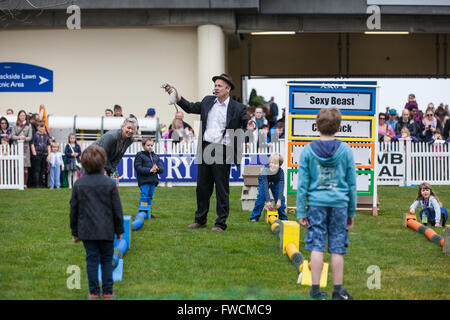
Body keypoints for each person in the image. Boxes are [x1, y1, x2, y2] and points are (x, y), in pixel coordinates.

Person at [163, 73, 255, 232]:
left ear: (228, 89)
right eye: (215, 85)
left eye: (219, 86)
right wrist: (175, 94)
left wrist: (249, 123)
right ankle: (200, 219)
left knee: (221, 188)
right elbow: (191, 107)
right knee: (202, 187)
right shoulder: (207, 101)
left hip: (223, 149)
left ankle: (220, 223)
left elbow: (245, 118)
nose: (216, 88)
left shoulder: (237, 107)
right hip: (206, 147)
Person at [296, 108, 356, 300]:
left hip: (315, 204)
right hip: (340, 204)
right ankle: (338, 291)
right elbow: (352, 183)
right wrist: (351, 211)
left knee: (317, 245)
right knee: (337, 247)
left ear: (316, 126)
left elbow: (302, 184)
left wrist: (300, 211)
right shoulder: (346, 150)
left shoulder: (307, 151)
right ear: (339, 127)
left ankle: (315, 290)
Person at [70, 144, 124, 300]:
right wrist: (119, 230)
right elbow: (117, 209)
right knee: (107, 260)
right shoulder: (109, 183)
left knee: (92, 260)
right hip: (107, 230)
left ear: (84, 163)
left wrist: (75, 233)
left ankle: (93, 292)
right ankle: (108, 292)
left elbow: (74, 210)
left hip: (87, 231)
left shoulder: (79, 184)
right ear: (103, 163)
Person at [93, 117, 137, 187]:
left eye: (133, 129)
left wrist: (112, 169)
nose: (130, 131)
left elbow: (119, 156)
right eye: (128, 128)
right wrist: (109, 170)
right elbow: (103, 154)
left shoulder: (130, 140)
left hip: (108, 161)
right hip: (95, 159)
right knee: (101, 187)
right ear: (122, 127)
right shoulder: (112, 136)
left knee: (115, 184)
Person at [249, 153, 287, 222]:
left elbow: (281, 186)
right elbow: (265, 186)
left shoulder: (281, 172)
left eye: (276, 164)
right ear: (269, 163)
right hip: (264, 181)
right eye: (272, 163)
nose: (273, 165)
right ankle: (254, 217)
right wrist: (268, 201)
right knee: (261, 196)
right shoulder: (265, 171)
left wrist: (279, 200)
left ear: (280, 165)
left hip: (275, 182)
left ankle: (283, 218)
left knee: (281, 198)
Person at [134, 138, 164, 219]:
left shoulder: (155, 156)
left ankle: (149, 213)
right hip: (144, 181)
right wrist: (149, 170)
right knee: (144, 196)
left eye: (151, 145)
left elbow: (161, 168)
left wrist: (157, 168)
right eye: (148, 145)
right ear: (143, 146)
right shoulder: (140, 156)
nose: (150, 147)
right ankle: (142, 212)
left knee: (150, 197)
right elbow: (138, 168)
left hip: (153, 181)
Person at [11, 110, 33, 187]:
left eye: (24, 115)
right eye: (21, 115)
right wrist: (19, 137)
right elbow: (13, 136)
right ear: (18, 116)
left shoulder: (28, 125)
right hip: (16, 147)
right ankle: (17, 183)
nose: (22, 117)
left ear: (25, 117)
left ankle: (24, 184)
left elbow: (30, 137)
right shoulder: (15, 125)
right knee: (16, 166)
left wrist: (24, 138)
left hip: (25, 148)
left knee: (25, 167)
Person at [30, 121, 51, 188]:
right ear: (37, 127)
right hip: (37, 155)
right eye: (40, 127)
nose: (42, 128)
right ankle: (37, 184)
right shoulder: (35, 135)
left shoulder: (46, 136)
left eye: (43, 127)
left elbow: (48, 145)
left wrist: (49, 154)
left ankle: (42, 184)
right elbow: (32, 144)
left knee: (43, 170)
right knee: (37, 170)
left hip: (44, 155)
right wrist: (34, 152)